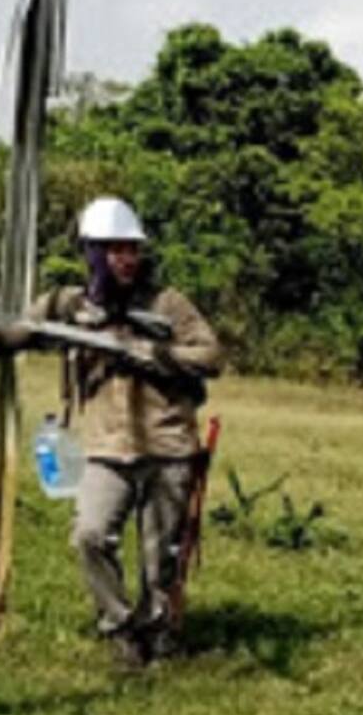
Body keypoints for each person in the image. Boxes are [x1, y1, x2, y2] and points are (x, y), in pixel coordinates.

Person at [27, 197, 223, 667]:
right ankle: (119, 625)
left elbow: (211, 356)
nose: (126, 259)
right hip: (104, 448)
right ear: (91, 253)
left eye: (131, 249)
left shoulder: (167, 303)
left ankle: (158, 632)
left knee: (162, 557)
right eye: (113, 250)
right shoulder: (66, 304)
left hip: (166, 444)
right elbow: (11, 337)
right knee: (89, 536)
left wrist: (153, 353)